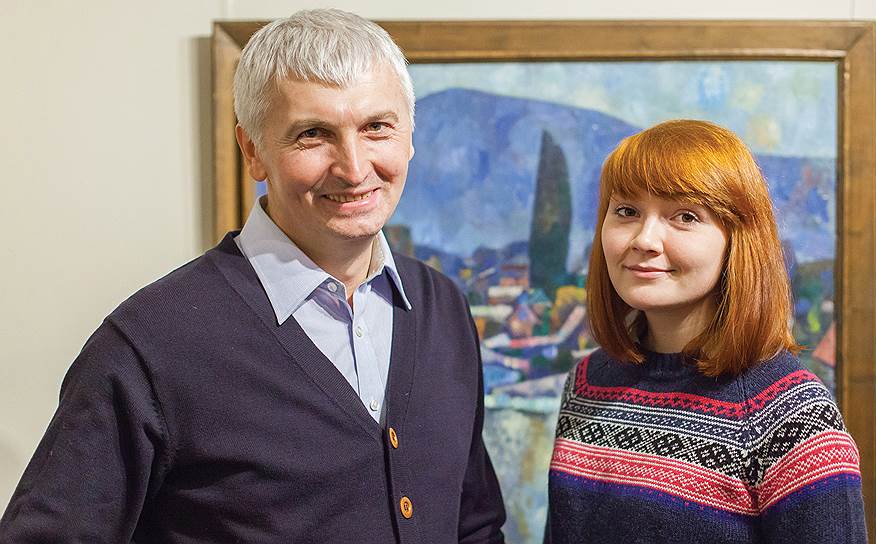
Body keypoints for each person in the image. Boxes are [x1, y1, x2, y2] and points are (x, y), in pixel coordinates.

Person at [0, 9, 505, 543]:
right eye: (313, 134)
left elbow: (474, 527)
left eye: (376, 127)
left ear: (409, 137)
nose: (354, 168)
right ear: (252, 151)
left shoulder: (443, 307)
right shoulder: (150, 345)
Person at [545, 120, 866, 543]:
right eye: (626, 211)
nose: (645, 239)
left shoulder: (793, 417)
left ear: (738, 240)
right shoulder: (587, 384)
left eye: (685, 216)